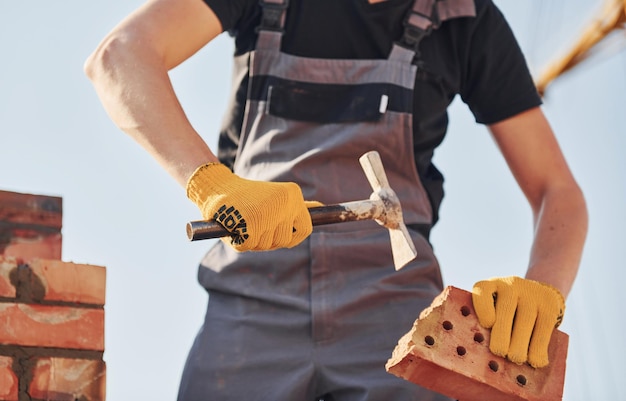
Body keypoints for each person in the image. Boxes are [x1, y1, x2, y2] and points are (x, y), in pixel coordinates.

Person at [84, 0, 588, 399]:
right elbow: (120, 56)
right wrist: (214, 186)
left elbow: (558, 191)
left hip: (394, 310)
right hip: (252, 299)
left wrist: (545, 287)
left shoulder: (465, 19)